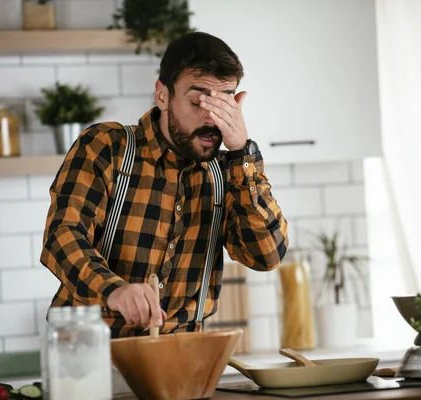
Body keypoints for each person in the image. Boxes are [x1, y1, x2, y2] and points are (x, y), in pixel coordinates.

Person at [40, 31, 289, 338]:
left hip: (181, 360)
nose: (212, 118)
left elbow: (267, 256)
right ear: (163, 95)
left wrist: (241, 153)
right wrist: (112, 290)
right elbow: (62, 235)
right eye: (198, 100)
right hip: (90, 355)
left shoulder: (229, 173)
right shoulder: (107, 146)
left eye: (224, 102)